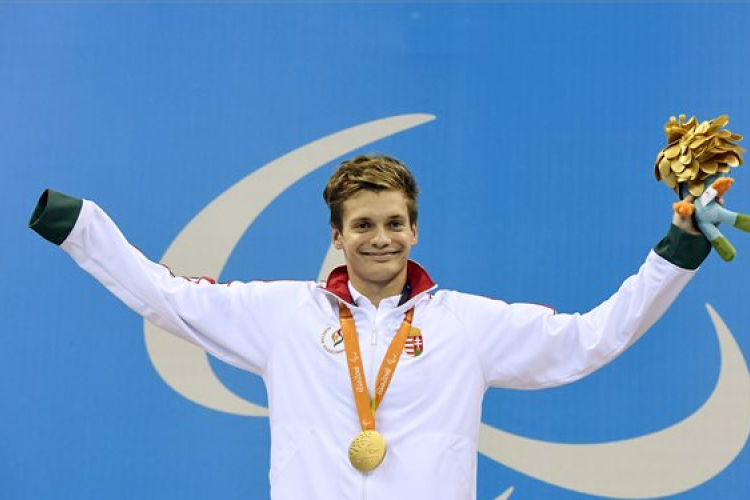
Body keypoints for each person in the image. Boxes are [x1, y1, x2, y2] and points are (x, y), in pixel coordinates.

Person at [29, 154, 711, 500]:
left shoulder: (468, 325)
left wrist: (677, 251)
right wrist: (77, 225)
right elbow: (165, 297)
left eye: (393, 223)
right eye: (362, 225)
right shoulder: (281, 316)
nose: (380, 238)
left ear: (414, 230)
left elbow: (589, 339)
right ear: (337, 236)